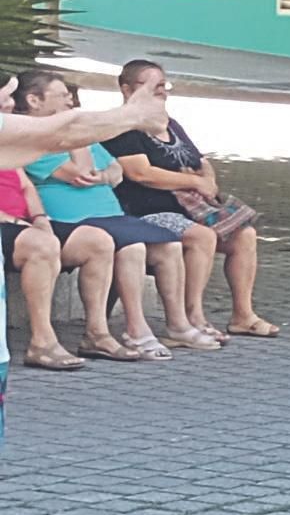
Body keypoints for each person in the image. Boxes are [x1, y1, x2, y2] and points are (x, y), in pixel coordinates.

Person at [104, 61, 277, 347]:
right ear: (126, 89)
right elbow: (140, 173)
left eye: (163, 85)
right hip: (146, 210)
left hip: (189, 207)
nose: (161, 91)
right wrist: (193, 182)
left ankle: (242, 315)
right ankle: (190, 316)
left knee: (243, 234)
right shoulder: (124, 127)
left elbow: (200, 160)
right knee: (202, 237)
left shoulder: (170, 124)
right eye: (152, 86)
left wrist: (206, 178)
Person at [17, 74, 184, 362]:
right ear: (33, 101)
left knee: (171, 245)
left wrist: (102, 175)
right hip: (72, 219)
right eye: (62, 96)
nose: (71, 101)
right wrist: (77, 135)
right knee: (131, 246)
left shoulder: (65, 134)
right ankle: (133, 329)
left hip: (109, 214)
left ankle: (180, 324)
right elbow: (80, 172)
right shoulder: (34, 138)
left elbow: (115, 172)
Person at [1, 163, 82, 370]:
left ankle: (98, 335)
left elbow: (27, 186)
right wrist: (15, 221)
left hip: (23, 224)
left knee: (98, 242)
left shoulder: (6, 146)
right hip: (8, 224)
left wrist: (40, 218)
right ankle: (42, 341)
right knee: (43, 246)